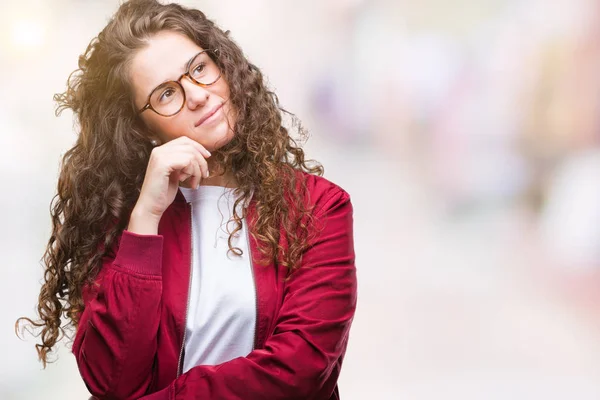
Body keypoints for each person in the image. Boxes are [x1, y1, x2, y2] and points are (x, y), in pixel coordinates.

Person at [16, 0, 357, 399]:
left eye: (199, 69)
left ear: (223, 65)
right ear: (142, 129)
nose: (197, 95)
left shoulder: (317, 206)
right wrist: (146, 216)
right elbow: (111, 382)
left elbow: (300, 370)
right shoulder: (123, 221)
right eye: (165, 94)